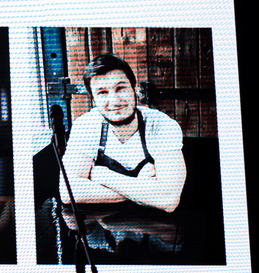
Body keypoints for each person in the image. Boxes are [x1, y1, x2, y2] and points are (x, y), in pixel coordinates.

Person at [60, 53, 185, 213]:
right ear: (93, 99)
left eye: (121, 88)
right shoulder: (86, 125)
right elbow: (68, 192)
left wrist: (103, 176)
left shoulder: (161, 125)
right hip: (102, 221)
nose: (114, 101)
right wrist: (142, 187)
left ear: (135, 89)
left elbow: (168, 199)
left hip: (154, 223)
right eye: (102, 92)